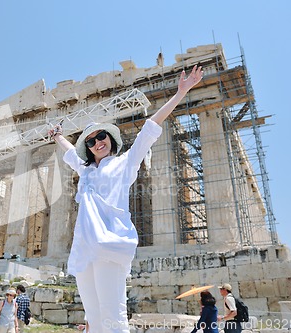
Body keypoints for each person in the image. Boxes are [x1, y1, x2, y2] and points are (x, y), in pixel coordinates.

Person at [48, 65, 203, 333]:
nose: (98, 142)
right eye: (92, 140)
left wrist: (181, 92)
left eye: (102, 136)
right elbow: (70, 153)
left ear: (110, 138)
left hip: (110, 245)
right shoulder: (85, 171)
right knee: (94, 318)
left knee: (113, 315)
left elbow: (149, 129)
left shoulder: (125, 163)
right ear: (88, 147)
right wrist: (58, 136)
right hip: (84, 251)